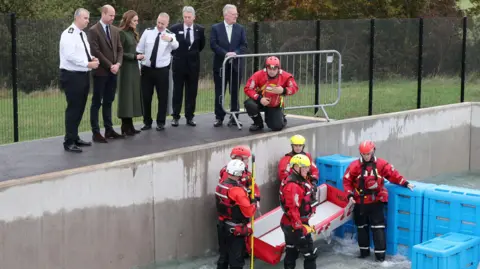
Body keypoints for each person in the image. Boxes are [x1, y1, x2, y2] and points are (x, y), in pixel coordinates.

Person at [343, 140, 415, 262]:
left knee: (378, 228)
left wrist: (405, 183)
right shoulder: (354, 166)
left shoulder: (381, 164)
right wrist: (349, 195)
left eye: (368, 153)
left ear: (373, 151)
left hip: (376, 201)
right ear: (360, 153)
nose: (366, 156)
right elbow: (347, 181)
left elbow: (393, 174)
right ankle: (363, 254)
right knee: (361, 228)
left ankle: (380, 258)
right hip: (360, 202)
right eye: (364, 154)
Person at [59, 8, 99, 153]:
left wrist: (91, 58)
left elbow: (81, 53)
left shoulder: (81, 34)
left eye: (88, 18)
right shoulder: (68, 34)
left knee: (80, 107)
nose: (88, 21)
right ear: (76, 17)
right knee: (73, 108)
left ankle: (75, 137)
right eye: (85, 18)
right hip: (72, 76)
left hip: (82, 75)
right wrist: (87, 64)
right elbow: (69, 56)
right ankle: (68, 142)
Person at [136, 12, 179, 131]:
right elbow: (139, 49)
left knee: (162, 97)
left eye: (163, 24)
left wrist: (169, 39)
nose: (160, 25)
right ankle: (147, 122)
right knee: (146, 97)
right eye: (159, 22)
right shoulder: (148, 32)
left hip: (162, 71)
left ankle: (161, 122)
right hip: (147, 69)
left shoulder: (171, 35)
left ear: (167, 24)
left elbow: (176, 46)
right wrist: (139, 66)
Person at [88, 4, 124, 143]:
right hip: (101, 72)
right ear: (103, 14)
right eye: (110, 15)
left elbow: (120, 49)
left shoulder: (115, 30)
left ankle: (109, 130)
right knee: (97, 102)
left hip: (113, 72)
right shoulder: (93, 31)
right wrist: (110, 66)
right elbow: (96, 51)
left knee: (109, 101)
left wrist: (118, 64)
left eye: (114, 16)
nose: (113, 18)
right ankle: (96, 132)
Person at [215, 159, 257, 269]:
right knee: (236, 261)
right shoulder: (237, 191)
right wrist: (253, 202)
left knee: (223, 257)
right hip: (235, 229)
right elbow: (249, 211)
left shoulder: (221, 185)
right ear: (239, 173)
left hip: (222, 225)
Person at [210, 4, 247, 127]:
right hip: (220, 66)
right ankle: (219, 117)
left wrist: (235, 53)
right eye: (233, 13)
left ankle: (234, 116)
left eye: (236, 13)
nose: (236, 15)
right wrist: (226, 54)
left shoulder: (240, 28)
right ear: (226, 15)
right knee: (220, 92)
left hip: (236, 66)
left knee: (235, 92)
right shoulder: (216, 28)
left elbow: (243, 45)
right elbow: (213, 45)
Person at [279, 154, 319, 269]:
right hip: (296, 225)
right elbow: (292, 210)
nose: (307, 170)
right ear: (296, 167)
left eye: (308, 167)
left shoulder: (300, 180)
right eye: (305, 167)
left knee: (291, 252)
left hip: (292, 223)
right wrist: (299, 229)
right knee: (310, 254)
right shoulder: (293, 186)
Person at [170, 6, 205, 127]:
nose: (187, 19)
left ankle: (190, 116)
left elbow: (201, 46)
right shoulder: (175, 29)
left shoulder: (200, 29)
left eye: (189, 17)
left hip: (193, 66)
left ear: (194, 17)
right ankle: (175, 116)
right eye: (185, 17)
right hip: (179, 65)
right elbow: (171, 46)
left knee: (192, 92)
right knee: (177, 91)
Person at [244, 56, 299, 132]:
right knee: (249, 104)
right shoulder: (258, 75)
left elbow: (294, 87)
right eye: (269, 68)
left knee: (276, 127)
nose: (272, 71)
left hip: (275, 103)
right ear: (266, 67)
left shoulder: (286, 76)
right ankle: (258, 123)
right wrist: (260, 99)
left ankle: (281, 118)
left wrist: (283, 90)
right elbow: (248, 88)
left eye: (274, 69)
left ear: (278, 68)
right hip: (261, 100)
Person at [117, 10, 144, 136]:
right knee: (126, 97)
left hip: (134, 68)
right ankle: (125, 126)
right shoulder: (121, 33)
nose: (136, 23)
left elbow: (133, 50)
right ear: (128, 20)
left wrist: (139, 55)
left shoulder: (133, 33)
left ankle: (130, 125)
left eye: (137, 20)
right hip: (126, 69)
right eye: (134, 20)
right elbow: (120, 53)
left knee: (132, 96)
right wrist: (134, 57)